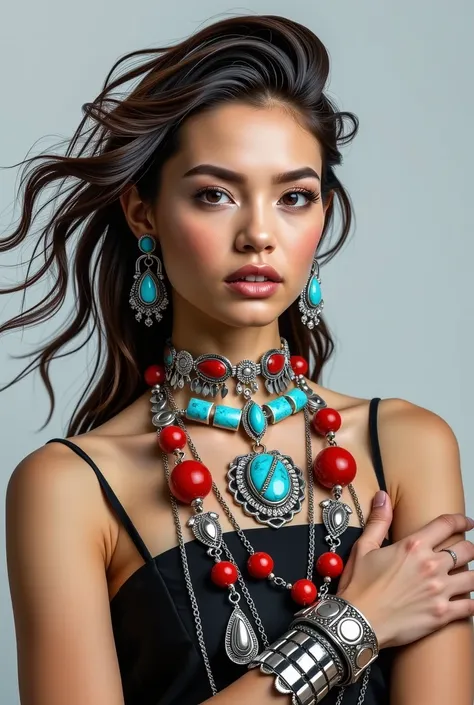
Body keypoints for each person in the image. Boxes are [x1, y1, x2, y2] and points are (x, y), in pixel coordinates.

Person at [3, 13, 474, 705]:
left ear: (322, 216)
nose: (258, 233)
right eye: (214, 194)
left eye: (294, 197)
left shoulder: (408, 446)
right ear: (143, 212)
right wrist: (352, 626)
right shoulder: (67, 488)